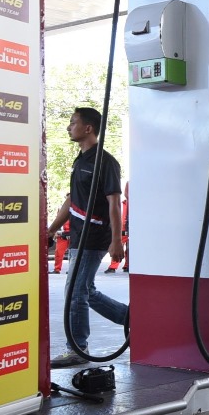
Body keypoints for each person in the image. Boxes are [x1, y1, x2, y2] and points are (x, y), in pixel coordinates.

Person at [46, 107, 129, 368]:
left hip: (95, 238)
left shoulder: (105, 162)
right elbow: (72, 201)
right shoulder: (80, 161)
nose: (69, 127)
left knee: (75, 292)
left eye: (73, 123)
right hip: (78, 237)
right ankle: (130, 317)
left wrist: (116, 240)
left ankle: (78, 348)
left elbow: (114, 203)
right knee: (85, 290)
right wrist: (50, 229)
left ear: (88, 128)